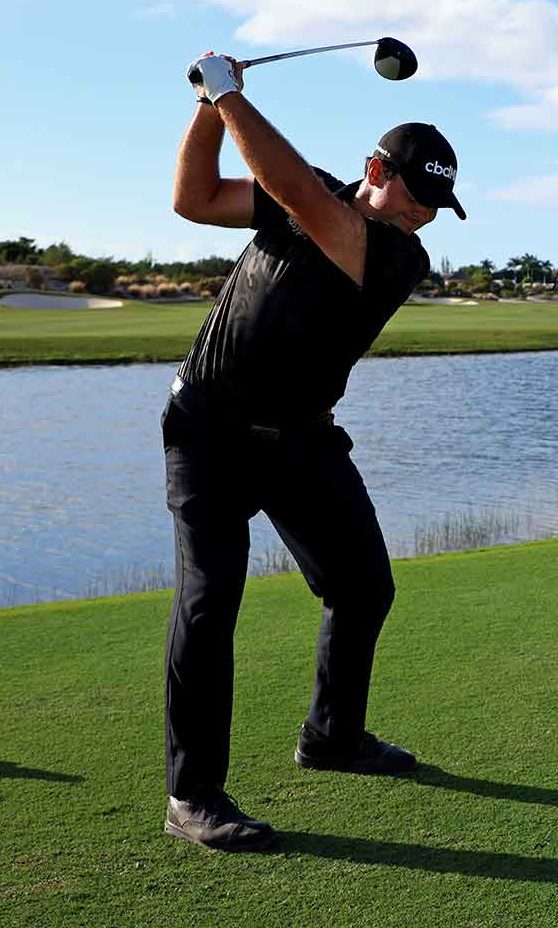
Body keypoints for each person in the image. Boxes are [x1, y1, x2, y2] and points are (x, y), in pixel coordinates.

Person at [159, 51, 465, 851]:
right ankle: (193, 796)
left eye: (437, 205)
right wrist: (206, 107)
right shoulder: (316, 193)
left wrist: (228, 93)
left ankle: (332, 737)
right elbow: (193, 199)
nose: (423, 214)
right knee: (209, 600)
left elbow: (296, 190)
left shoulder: (397, 253)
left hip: (301, 438)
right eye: (417, 194)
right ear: (376, 169)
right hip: (209, 431)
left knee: (362, 585)